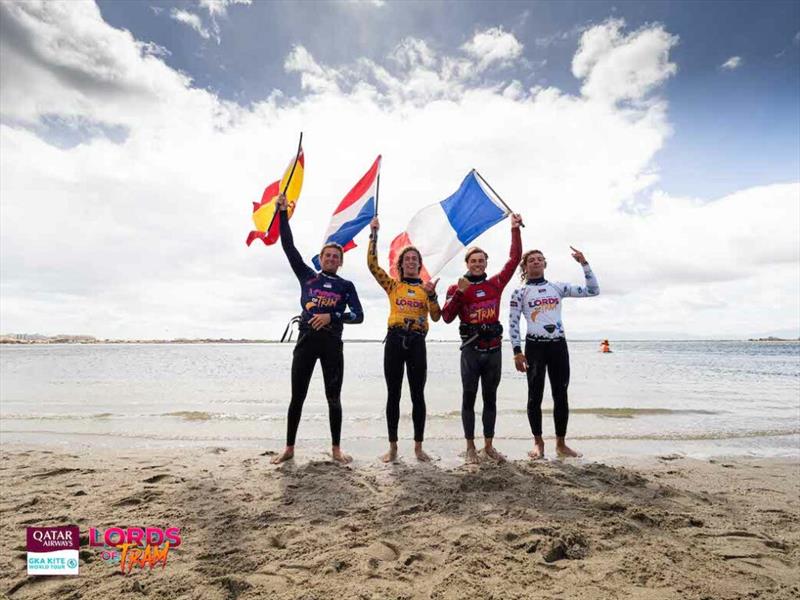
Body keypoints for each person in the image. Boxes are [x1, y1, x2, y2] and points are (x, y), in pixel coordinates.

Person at [271, 193, 364, 465]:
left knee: (333, 398)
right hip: (306, 342)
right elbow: (288, 246)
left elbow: (358, 316)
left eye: (336, 256)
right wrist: (282, 213)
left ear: (341, 261)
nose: (332, 259)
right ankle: (289, 448)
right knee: (296, 397)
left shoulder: (347, 287)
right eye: (328, 255)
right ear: (321, 258)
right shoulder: (308, 277)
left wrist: (331, 316)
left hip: (332, 346)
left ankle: (336, 449)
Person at [442, 213, 523, 464]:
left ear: (486, 263)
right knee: (468, 398)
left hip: (494, 350)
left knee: (490, 399)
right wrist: (459, 295)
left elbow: (514, 259)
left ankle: (488, 446)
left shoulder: (496, 284)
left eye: (481, 260)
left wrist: (514, 229)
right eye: (473, 261)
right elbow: (445, 317)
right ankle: (470, 447)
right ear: (467, 263)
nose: (477, 264)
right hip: (471, 351)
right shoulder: (457, 288)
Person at [509, 246, 599, 459]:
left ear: (545, 264)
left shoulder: (557, 287)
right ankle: (538, 443)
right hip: (534, 347)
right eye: (532, 260)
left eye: (540, 259)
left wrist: (584, 264)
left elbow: (593, 290)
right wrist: (516, 351)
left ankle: (561, 443)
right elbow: (513, 322)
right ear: (525, 266)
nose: (536, 262)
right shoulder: (519, 292)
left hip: (558, 345)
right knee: (535, 396)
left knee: (561, 395)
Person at [368, 216, 441, 462]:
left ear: (420, 265)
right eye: (407, 259)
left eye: (415, 260)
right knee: (394, 395)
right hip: (395, 341)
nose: (411, 262)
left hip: (417, 342)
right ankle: (393, 447)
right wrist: (374, 235)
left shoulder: (425, 289)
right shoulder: (393, 286)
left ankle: (419, 448)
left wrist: (433, 296)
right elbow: (372, 266)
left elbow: (437, 316)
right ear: (401, 264)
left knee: (418, 395)